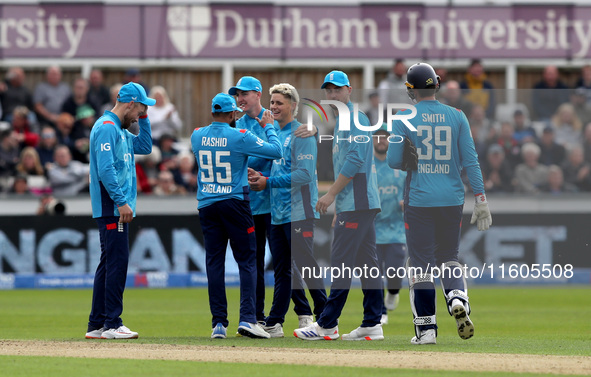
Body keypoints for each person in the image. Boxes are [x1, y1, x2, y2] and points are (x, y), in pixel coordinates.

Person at [387, 62, 491, 345]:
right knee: (449, 256)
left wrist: (411, 157)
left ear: (411, 90)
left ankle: (427, 330)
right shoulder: (457, 115)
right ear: (437, 84)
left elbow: (394, 160)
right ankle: (457, 296)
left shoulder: (403, 117)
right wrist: (480, 198)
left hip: (419, 199)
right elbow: (471, 160)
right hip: (452, 198)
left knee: (420, 264)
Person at [294, 70, 384, 341]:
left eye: (337, 89)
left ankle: (327, 324)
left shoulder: (354, 118)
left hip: (358, 203)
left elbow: (355, 161)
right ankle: (372, 323)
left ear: (349, 90)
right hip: (356, 204)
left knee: (342, 263)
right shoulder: (344, 122)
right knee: (367, 263)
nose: (333, 94)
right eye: (329, 90)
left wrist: (331, 195)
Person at [191, 93, 281, 339]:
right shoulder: (239, 136)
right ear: (232, 114)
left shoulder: (197, 134)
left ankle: (218, 323)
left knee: (214, 263)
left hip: (207, 204)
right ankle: (248, 319)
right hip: (234, 202)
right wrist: (269, 127)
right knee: (248, 260)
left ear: (212, 112)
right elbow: (276, 150)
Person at [229, 76, 316, 326]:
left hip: (275, 201)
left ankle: (303, 312)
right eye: (237, 95)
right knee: (255, 263)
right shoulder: (238, 125)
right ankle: (257, 317)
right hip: (251, 203)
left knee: (287, 263)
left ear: (257, 94)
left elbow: (286, 149)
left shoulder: (272, 120)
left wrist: (313, 129)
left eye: (244, 93)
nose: (240, 99)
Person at [248, 83, 327, 338]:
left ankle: (326, 317)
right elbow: (279, 171)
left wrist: (268, 182)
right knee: (282, 268)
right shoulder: (277, 135)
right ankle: (275, 321)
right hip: (279, 212)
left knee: (305, 266)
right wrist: (261, 176)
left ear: (293, 106)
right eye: (272, 103)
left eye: (279, 103)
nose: (273, 107)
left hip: (301, 211)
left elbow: (304, 175)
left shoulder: (303, 134)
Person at [85, 82, 155, 340]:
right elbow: (105, 171)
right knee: (117, 262)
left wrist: (145, 116)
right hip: (112, 207)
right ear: (129, 104)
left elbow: (146, 147)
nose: (139, 115)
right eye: (139, 110)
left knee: (108, 263)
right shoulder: (107, 128)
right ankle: (112, 323)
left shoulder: (120, 130)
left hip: (114, 206)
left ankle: (96, 324)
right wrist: (121, 201)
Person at [372, 126, 407, 326]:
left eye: (385, 137)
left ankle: (393, 292)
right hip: (373, 230)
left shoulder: (399, 166)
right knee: (374, 275)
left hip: (396, 230)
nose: (381, 140)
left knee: (394, 274)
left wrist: (406, 201)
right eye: (378, 137)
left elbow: (410, 189)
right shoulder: (368, 166)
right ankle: (380, 312)